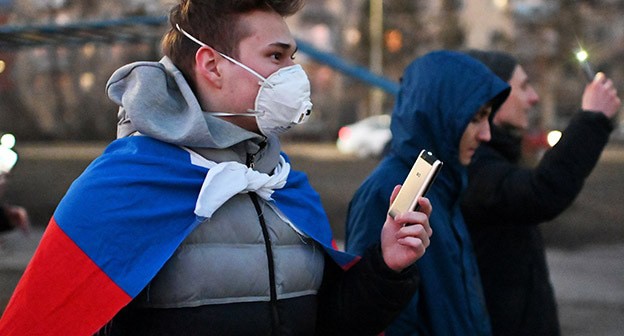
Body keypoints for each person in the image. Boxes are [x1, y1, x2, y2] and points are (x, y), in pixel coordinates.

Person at [0, 1, 434, 335]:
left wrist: (386, 266)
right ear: (212, 65)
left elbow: (330, 324)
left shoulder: (282, 183)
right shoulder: (123, 185)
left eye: (292, 57)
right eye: (277, 56)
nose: (293, 73)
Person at [345, 50, 510, 335]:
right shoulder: (388, 190)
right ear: (440, 114)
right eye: (475, 118)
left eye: (488, 118)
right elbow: (379, 319)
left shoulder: (444, 184)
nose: (486, 134)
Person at [460, 50, 621, 336]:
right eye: (522, 87)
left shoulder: (494, 158)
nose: (533, 97)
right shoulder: (472, 167)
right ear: (492, 96)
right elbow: (541, 192)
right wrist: (592, 118)